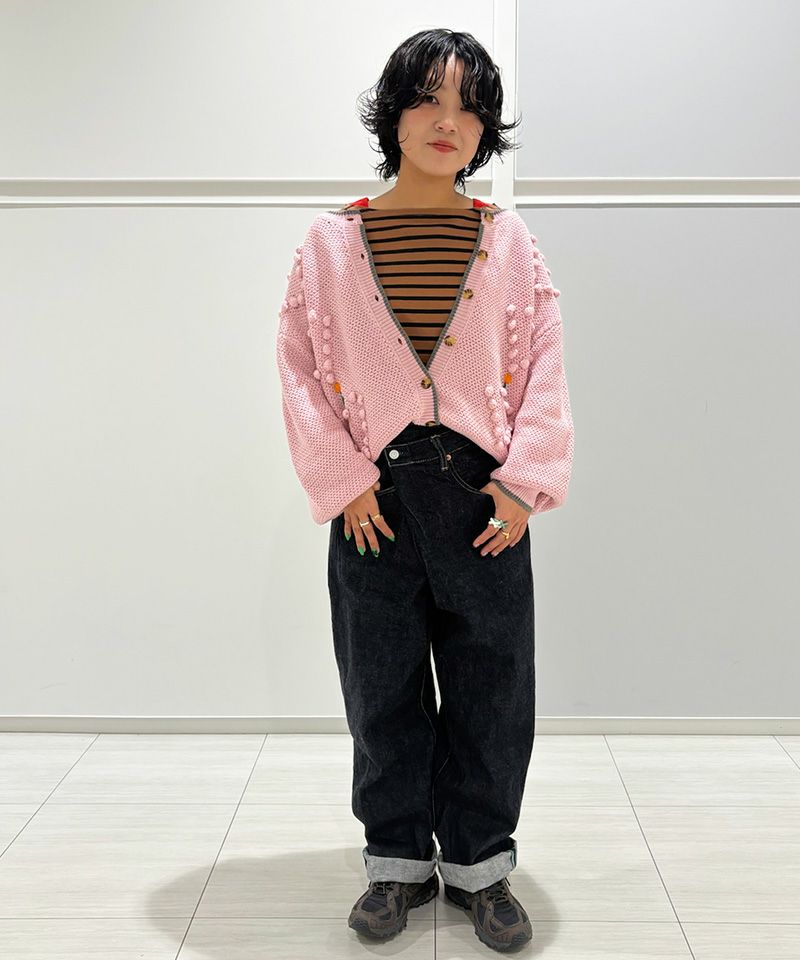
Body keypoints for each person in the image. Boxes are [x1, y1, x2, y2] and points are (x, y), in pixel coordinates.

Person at [276, 27, 574, 951]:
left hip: (484, 502)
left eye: (469, 107)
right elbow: (297, 367)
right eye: (428, 99)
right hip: (374, 504)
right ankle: (397, 862)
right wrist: (342, 484)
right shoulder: (331, 244)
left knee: (493, 687)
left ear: (486, 130)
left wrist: (523, 486)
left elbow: (544, 367)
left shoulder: (507, 240)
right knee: (382, 688)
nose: (449, 121)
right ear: (393, 114)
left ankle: (481, 865)